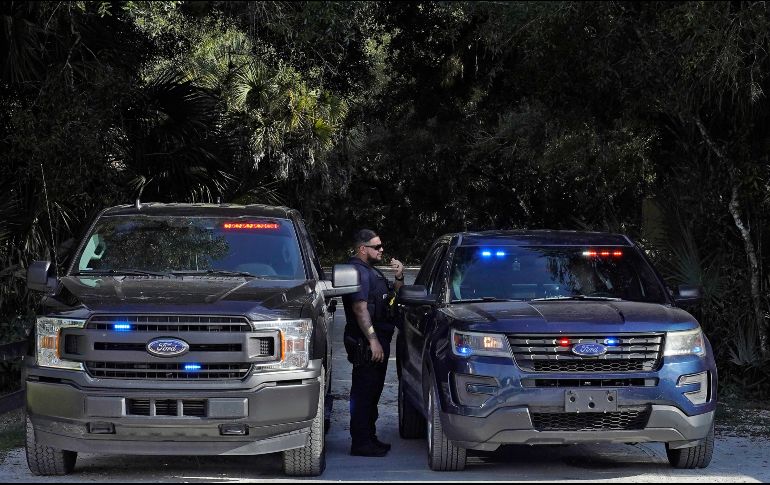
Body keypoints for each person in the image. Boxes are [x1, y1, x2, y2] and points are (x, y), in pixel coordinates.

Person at [342, 229, 405, 457]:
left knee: (373, 392)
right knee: (364, 393)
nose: (381, 250)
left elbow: (392, 301)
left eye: (381, 246)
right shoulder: (358, 272)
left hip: (377, 340)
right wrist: (373, 341)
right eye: (376, 247)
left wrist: (399, 278)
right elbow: (360, 309)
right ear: (362, 249)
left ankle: (369, 437)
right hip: (366, 343)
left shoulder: (371, 271)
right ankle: (360, 442)